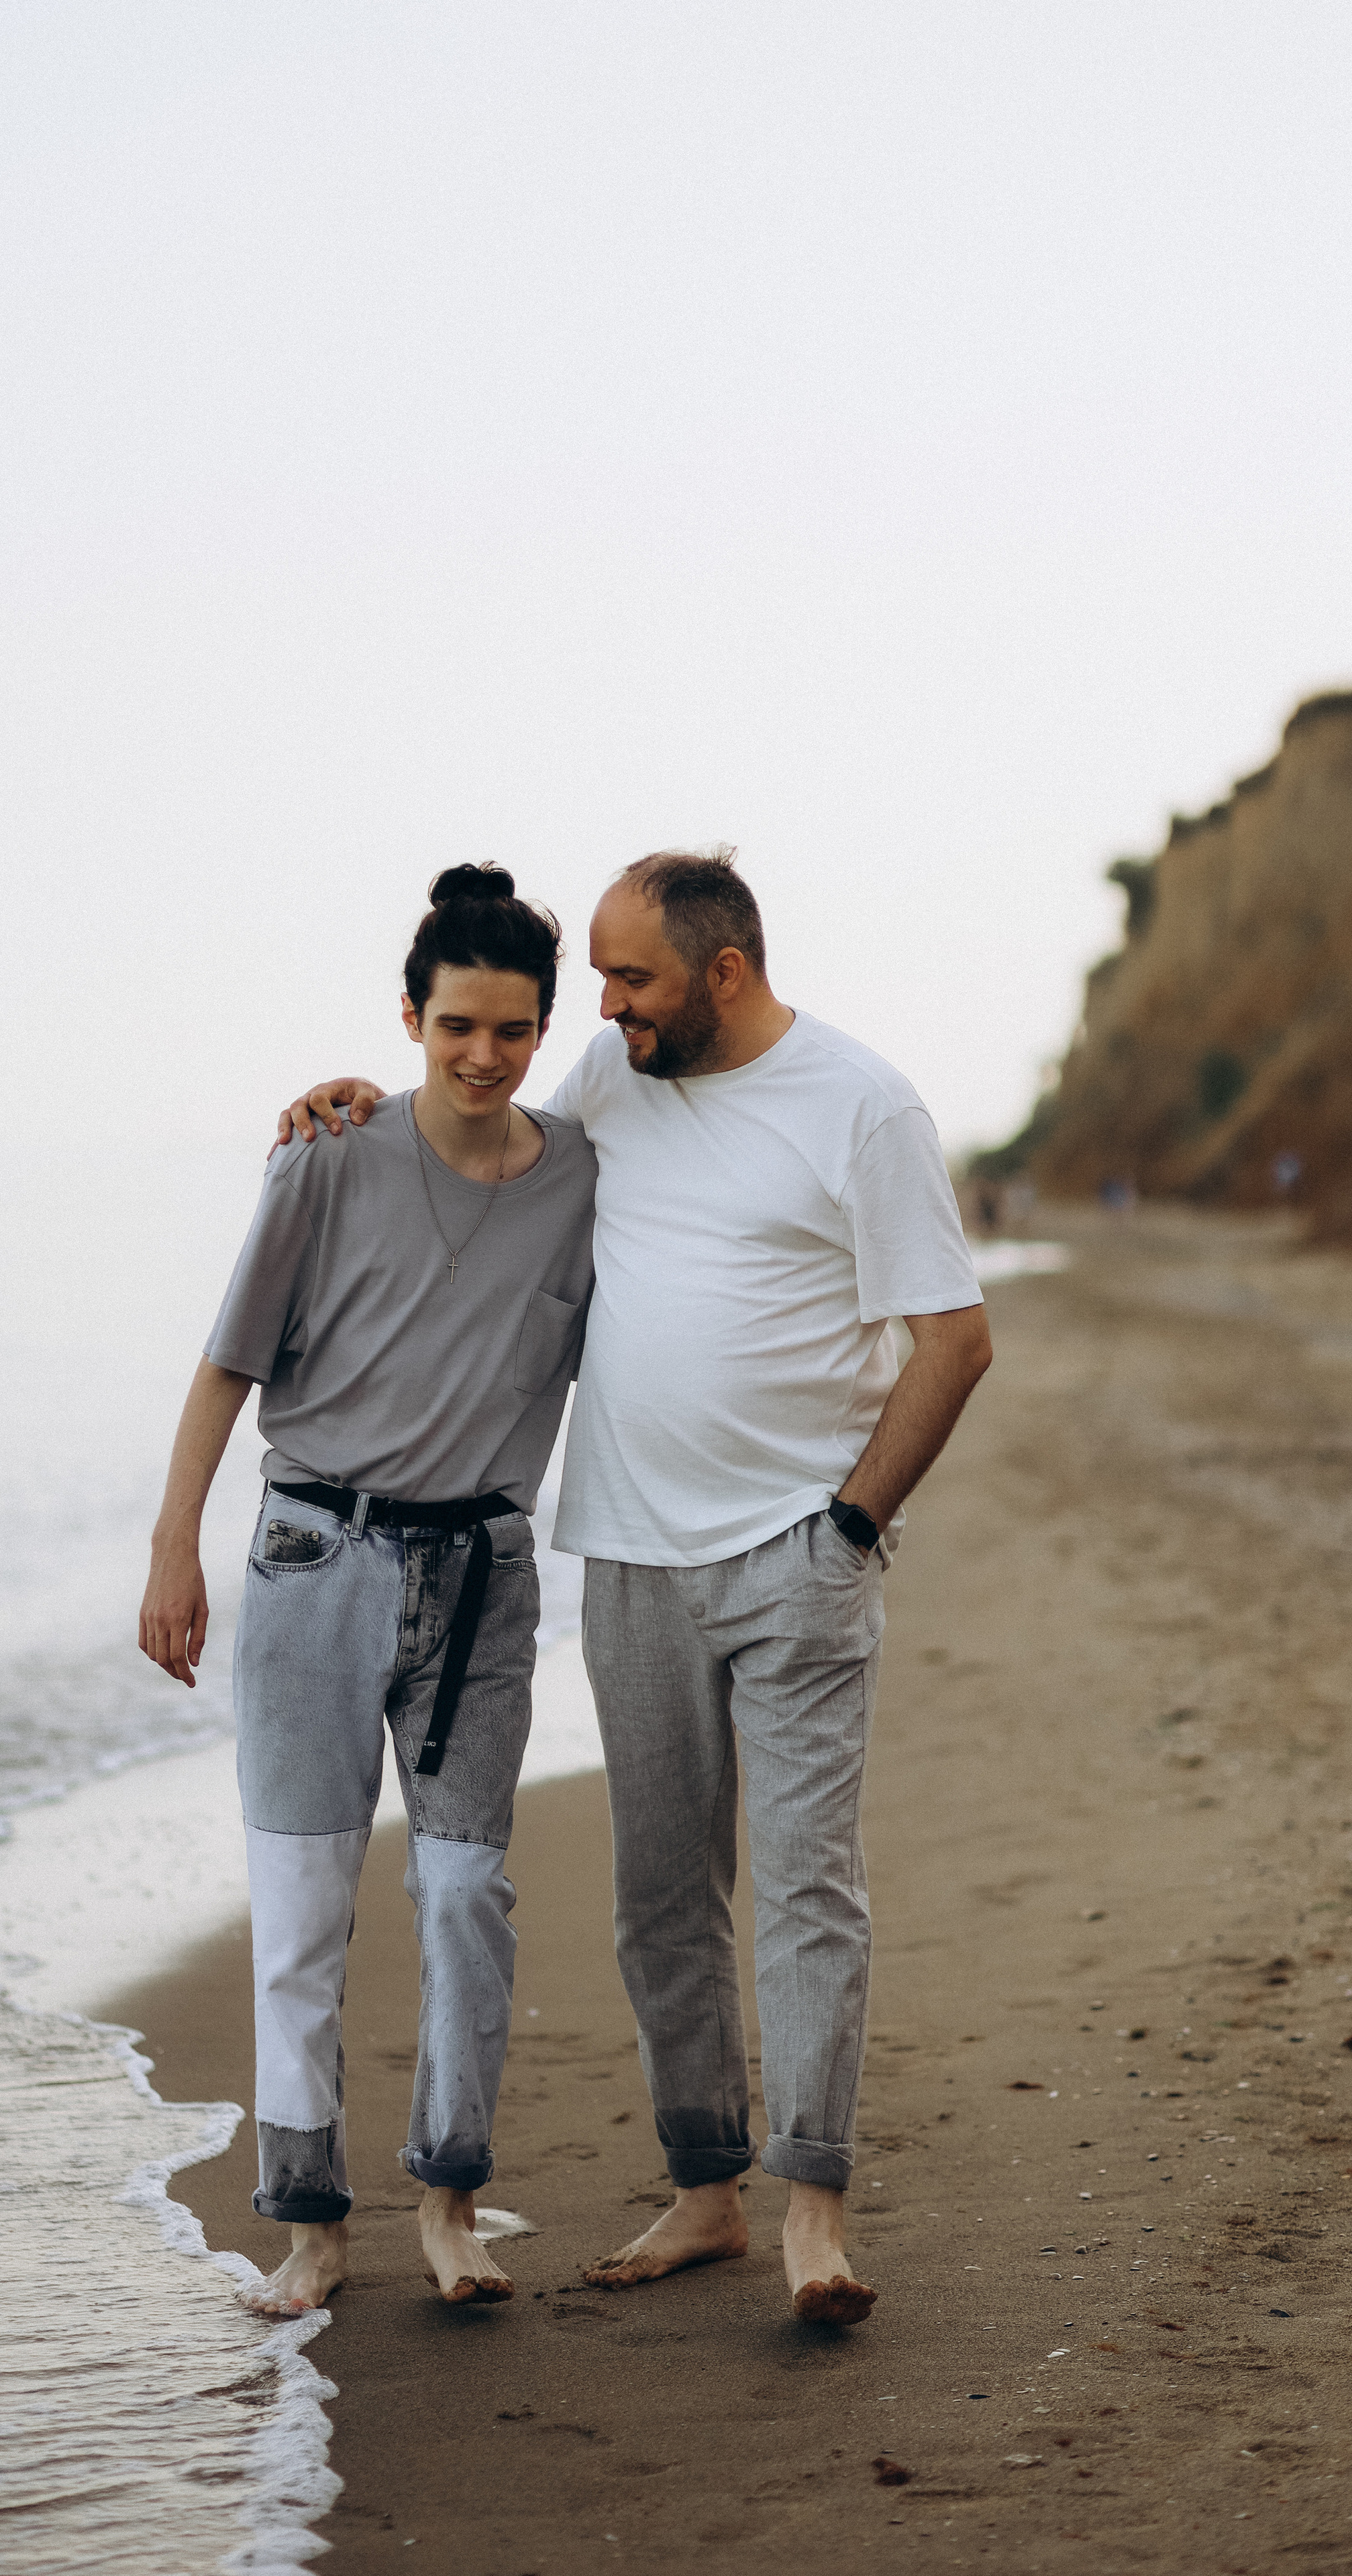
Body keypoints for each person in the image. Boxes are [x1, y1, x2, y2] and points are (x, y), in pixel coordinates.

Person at [280, 849, 991, 2326]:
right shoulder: (615, 1077)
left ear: (720, 974)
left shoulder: (863, 1106)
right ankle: (705, 2189)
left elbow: (952, 1340)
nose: (597, 1009)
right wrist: (350, 1103)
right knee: (660, 1899)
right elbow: (485, 1154)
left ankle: (814, 2215)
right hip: (629, 1561)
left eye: (628, 979)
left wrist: (850, 1528)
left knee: (804, 1889)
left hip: (796, 1561)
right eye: (596, 982)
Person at [140, 866, 596, 2317]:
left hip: (481, 1581)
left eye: (511, 1030)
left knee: (465, 1895)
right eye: (455, 1024)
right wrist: (171, 1549)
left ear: (542, 1028)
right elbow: (228, 1365)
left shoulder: (586, 1175)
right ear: (408, 1016)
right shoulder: (324, 1159)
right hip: (309, 1565)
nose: (482, 1056)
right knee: (302, 1913)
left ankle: (450, 2202)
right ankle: (311, 2227)